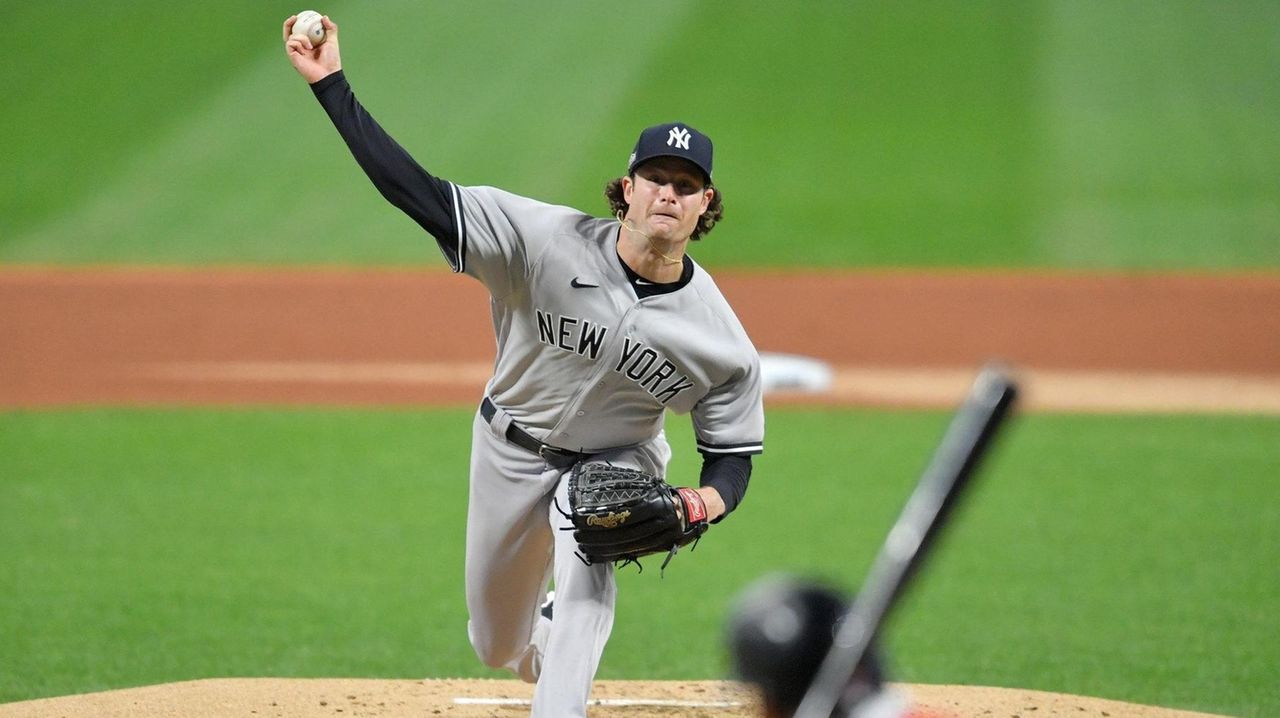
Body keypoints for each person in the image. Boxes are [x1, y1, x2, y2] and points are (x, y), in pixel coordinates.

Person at [283, 14, 765, 717]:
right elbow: (415, 192)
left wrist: (701, 502)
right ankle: (535, 645)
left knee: (591, 535)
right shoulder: (541, 241)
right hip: (507, 449)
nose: (668, 192)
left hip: (615, 458)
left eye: (685, 185)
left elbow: (733, 454)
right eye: (655, 177)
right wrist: (331, 84)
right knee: (495, 642)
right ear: (625, 188)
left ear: (706, 205)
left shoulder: (717, 336)